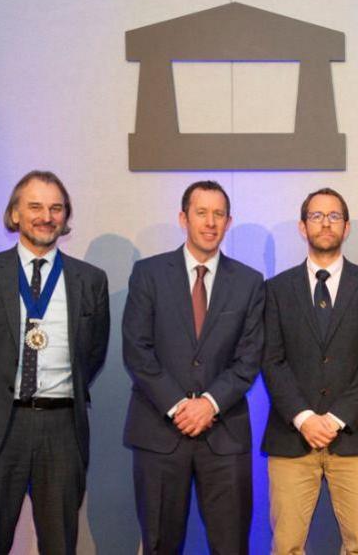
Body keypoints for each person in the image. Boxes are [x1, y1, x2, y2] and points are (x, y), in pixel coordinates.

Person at [0, 170, 110, 554]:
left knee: (59, 544)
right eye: (35, 206)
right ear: (15, 214)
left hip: (62, 430)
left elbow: (93, 354)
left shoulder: (90, 280)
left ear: (65, 217)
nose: (46, 216)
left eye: (56, 208)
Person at [122, 180, 264, 554]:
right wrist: (177, 405)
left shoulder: (250, 282)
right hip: (158, 432)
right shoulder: (148, 274)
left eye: (219, 214)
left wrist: (209, 404)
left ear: (229, 221)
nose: (210, 222)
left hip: (224, 435)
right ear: (183, 217)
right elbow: (137, 350)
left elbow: (249, 358)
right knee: (158, 544)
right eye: (201, 213)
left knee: (232, 545)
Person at [261, 188, 358, 554]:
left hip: (356, 435)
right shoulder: (276, 289)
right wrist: (304, 418)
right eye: (316, 216)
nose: (325, 223)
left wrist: (334, 419)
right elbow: (271, 360)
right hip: (292, 437)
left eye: (334, 216)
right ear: (303, 227)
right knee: (285, 546)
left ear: (346, 227)